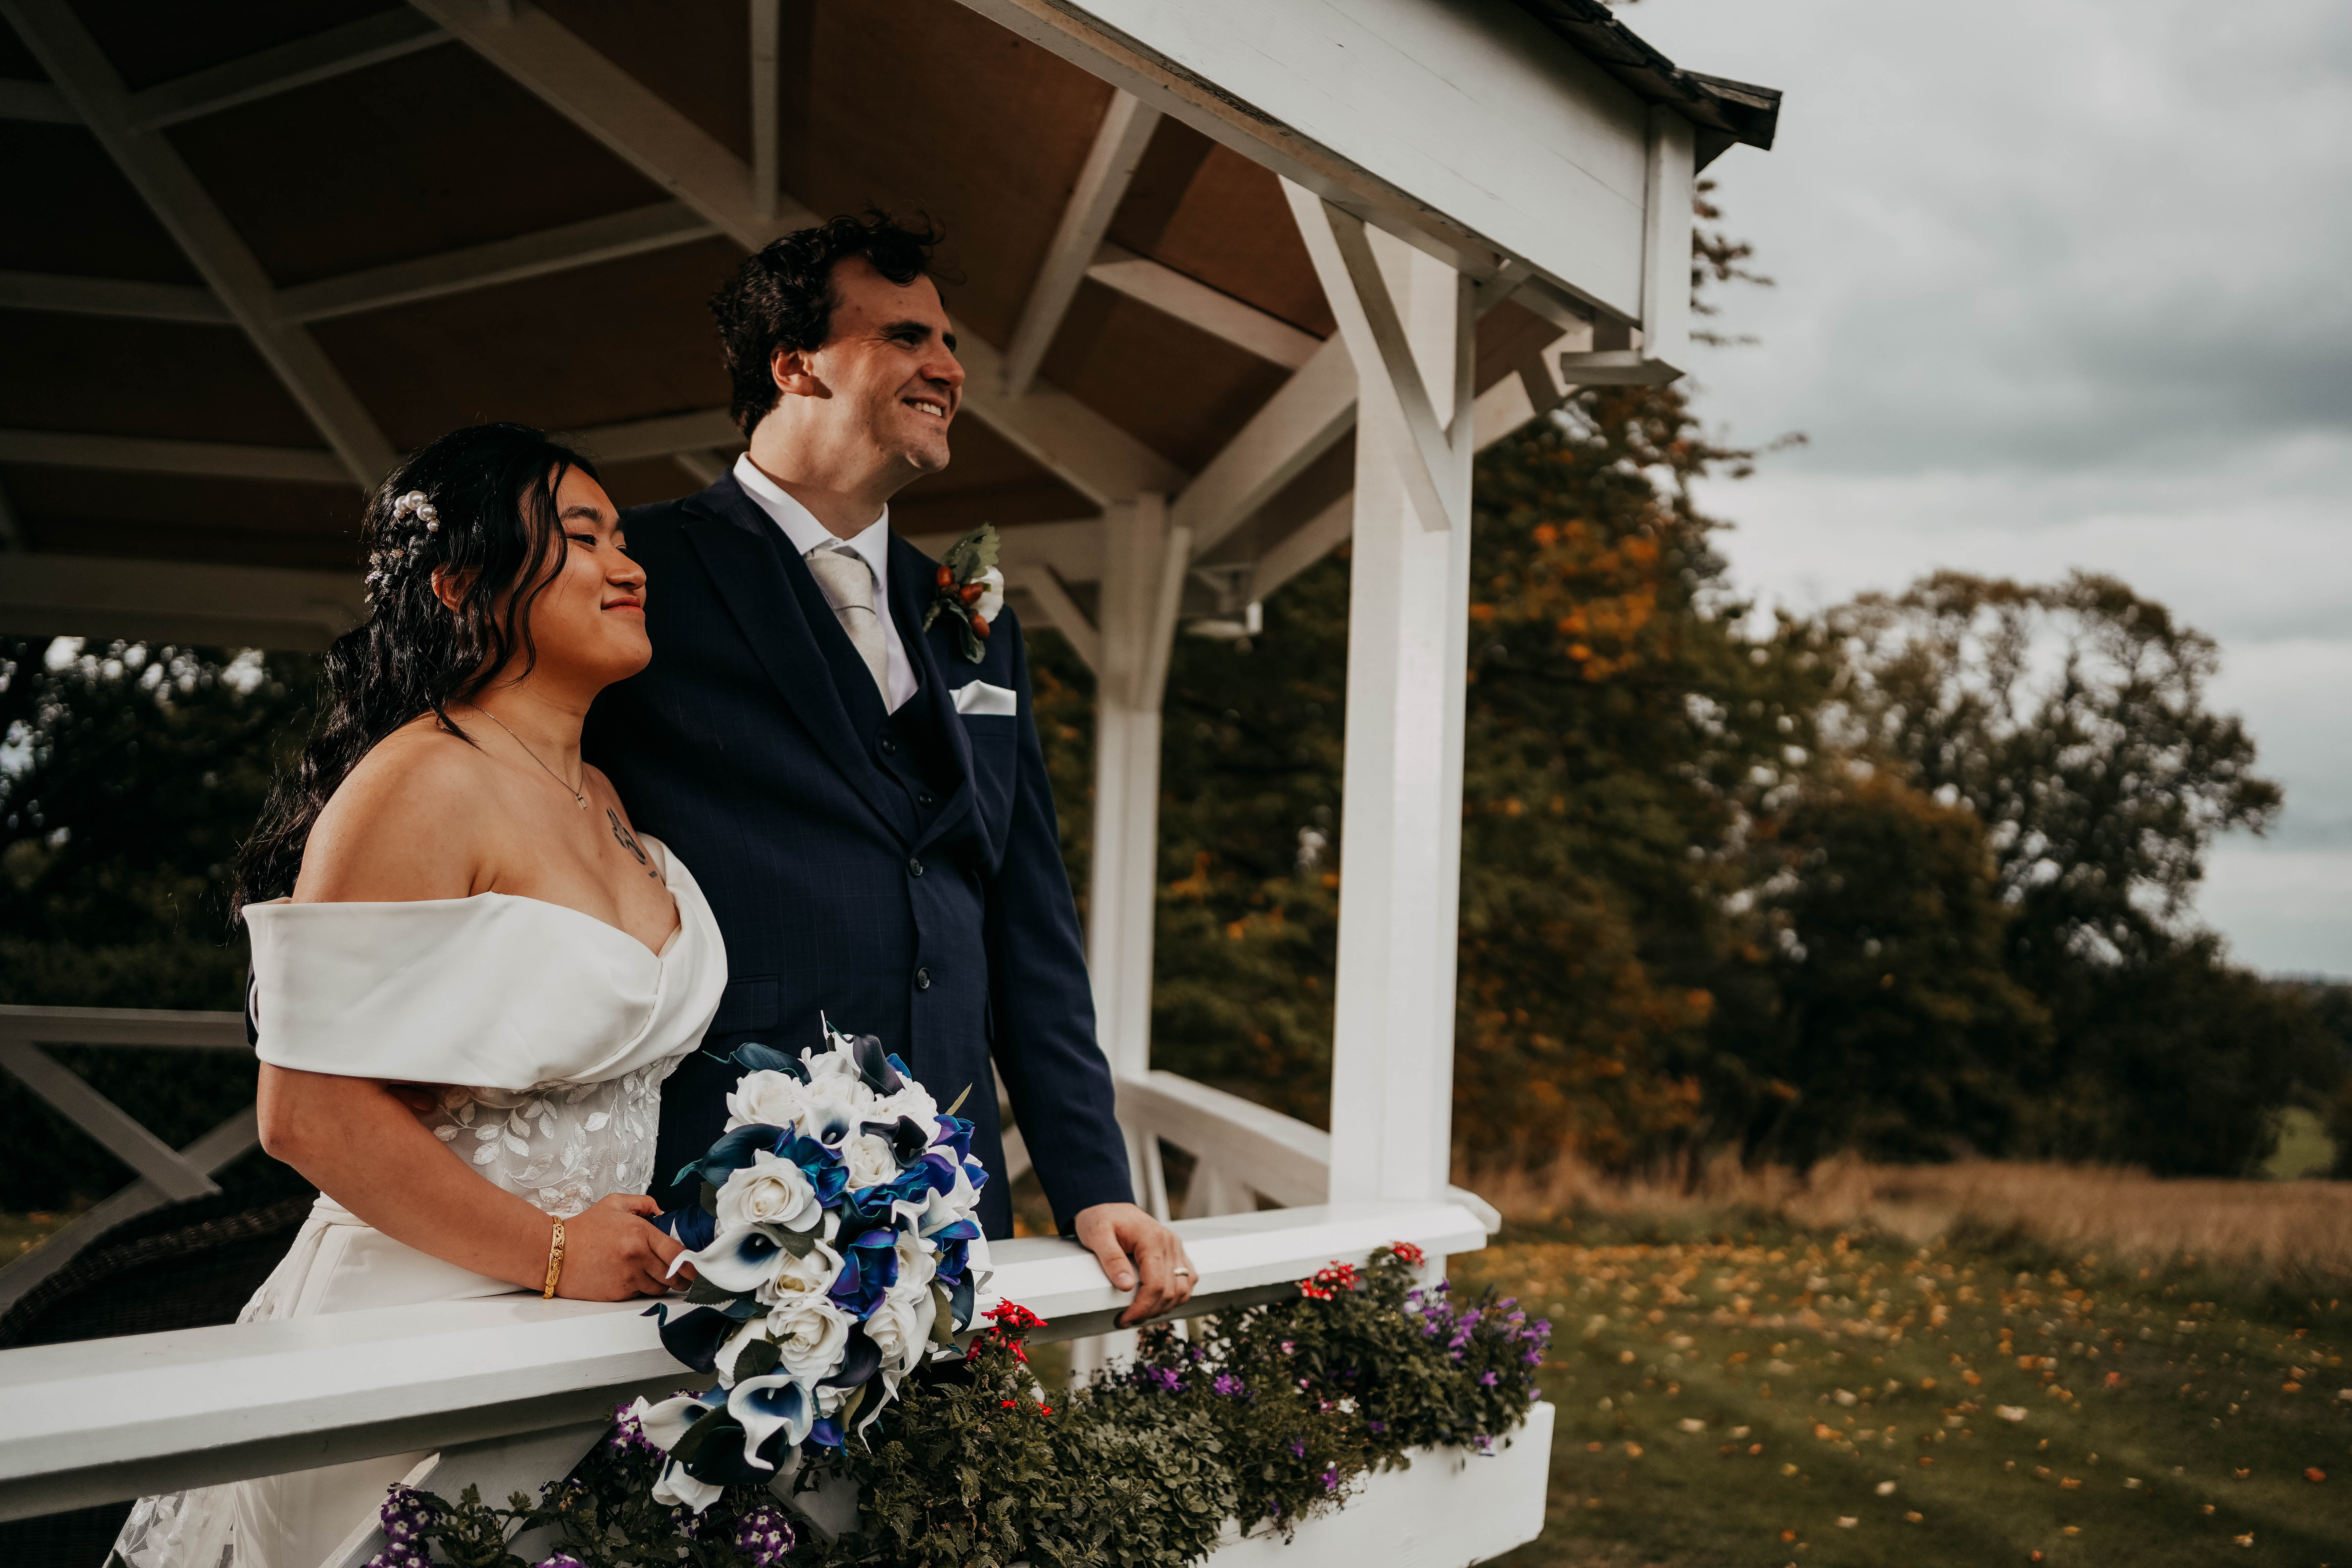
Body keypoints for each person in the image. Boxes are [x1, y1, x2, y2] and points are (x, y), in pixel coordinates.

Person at [111, 423, 727, 1568]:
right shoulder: (420, 780)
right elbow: (305, 1112)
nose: (630, 565)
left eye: (625, 537)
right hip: (404, 1325)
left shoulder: (603, 793)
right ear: (461, 583)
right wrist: (553, 1252)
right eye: (583, 536)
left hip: (571, 1343)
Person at [584, 212, 1196, 1324]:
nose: (950, 369)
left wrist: (1092, 1181)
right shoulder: (637, 569)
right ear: (795, 363)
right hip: (722, 1174)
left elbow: (1024, 909)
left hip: (952, 1188)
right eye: (909, 337)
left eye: (950, 345)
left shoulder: (969, 614)